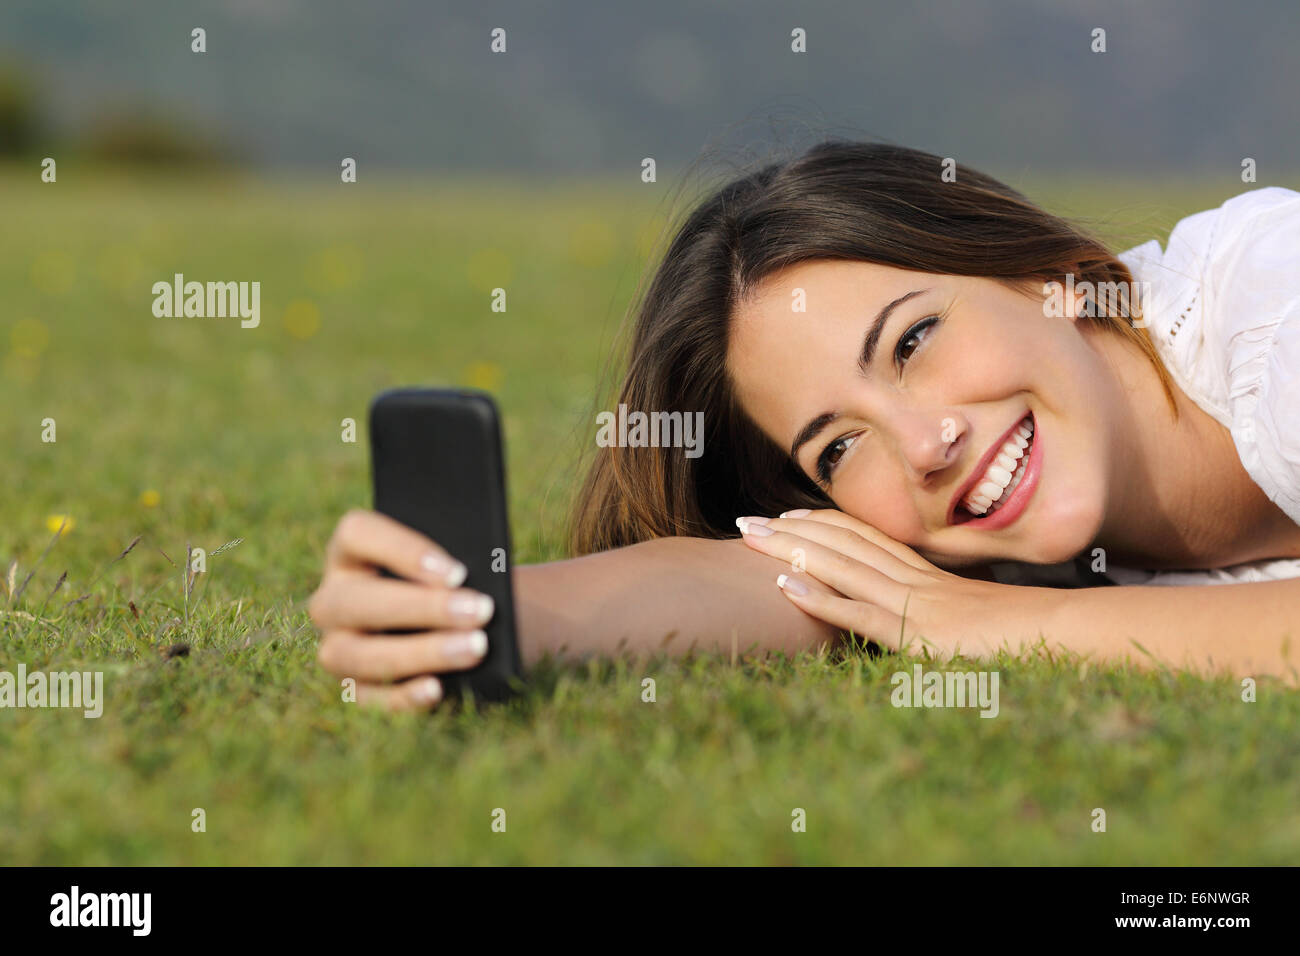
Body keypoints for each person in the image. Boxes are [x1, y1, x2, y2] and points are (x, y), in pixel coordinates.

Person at [309, 141, 1300, 709]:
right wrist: (474, 611)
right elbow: (773, 573)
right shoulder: (963, 515)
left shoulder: (1272, 308)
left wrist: (1006, 624)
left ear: (1048, 272)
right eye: (837, 445)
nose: (922, 445)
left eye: (912, 342)